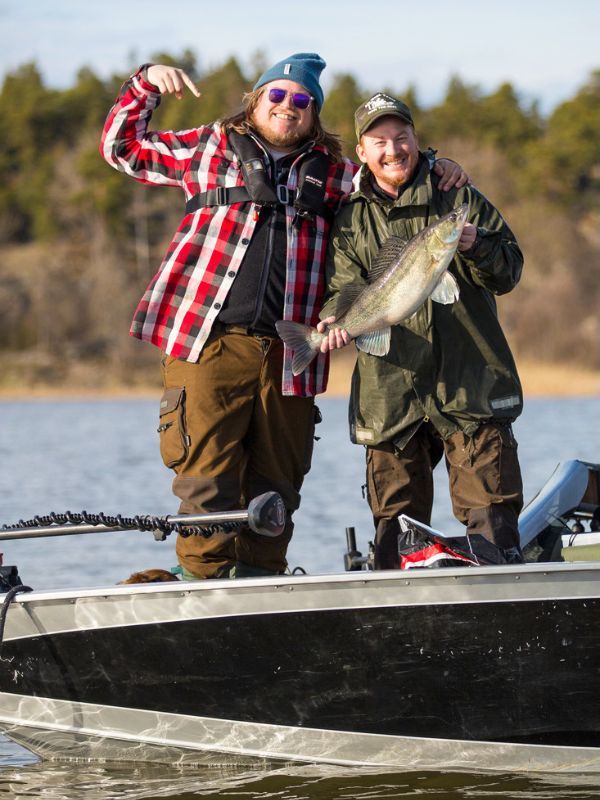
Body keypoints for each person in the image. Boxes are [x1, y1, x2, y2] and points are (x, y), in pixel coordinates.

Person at [100, 58, 467, 580]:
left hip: (291, 354)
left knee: (277, 483)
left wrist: (437, 164)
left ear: (313, 113)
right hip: (208, 341)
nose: (286, 107)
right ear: (255, 99)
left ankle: (261, 585)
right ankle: (202, 584)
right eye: (277, 95)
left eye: (301, 100)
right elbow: (121, 148)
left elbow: (392, 174)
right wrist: (144, 85)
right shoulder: (209, 146)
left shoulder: (337, 174)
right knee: (205, 477)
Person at [319, 92, 525, 569]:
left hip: (471, 385)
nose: (393, 149)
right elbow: (343, 290)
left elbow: (509, 272)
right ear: (363, 152)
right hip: (390, 396)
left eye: (402, 137)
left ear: (416, 140)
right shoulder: (350, 217)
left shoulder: (460, 197)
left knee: (493, 526)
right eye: (380, 141)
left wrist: (475, 245)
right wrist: (335, 319)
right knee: (394, 536)